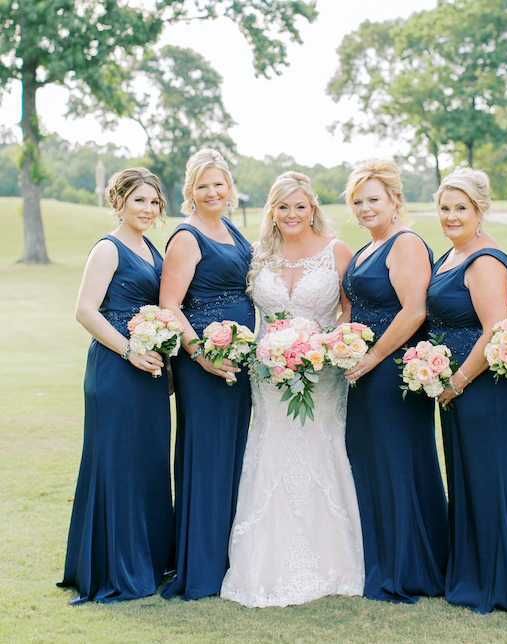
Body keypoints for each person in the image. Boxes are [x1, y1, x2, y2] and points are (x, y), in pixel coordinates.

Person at [220, 171, 364, 607]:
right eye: (283, 206)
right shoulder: (259, 254)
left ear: (313, 208)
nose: (292, 214)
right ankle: (264, 562)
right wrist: (273, 349)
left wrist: (322, 347)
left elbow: (350, 312)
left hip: (322, 377)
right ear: (272, 211)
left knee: (321, 449)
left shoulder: (336, 251)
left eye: (300, 206)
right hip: (267, 376)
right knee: (271, 452)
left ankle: (334, 560)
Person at [427, 168, 507, 614]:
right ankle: (474, 572)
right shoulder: (451, 255)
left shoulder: (484, 260)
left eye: (461, 208)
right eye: (445, 208)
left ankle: (501, 582)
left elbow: (496, 330)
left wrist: (458, 380)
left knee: (490, 478)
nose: (451, 216)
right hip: (457, 388)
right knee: (469, 478)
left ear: (480, 210)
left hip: (483, 388)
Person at [58, 168, 173, 604]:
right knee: (118, 463)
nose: (147, 209)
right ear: (120, 202)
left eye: (153, 202)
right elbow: (86, 311)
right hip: (116, 368)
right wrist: (129, 351)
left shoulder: (151, 249)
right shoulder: (108, 248)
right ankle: (116, 567)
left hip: (149, 372)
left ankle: (148, 559)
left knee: (148, 463)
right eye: (139, 200)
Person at [341, 159, 448, 603]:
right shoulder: (368, 246)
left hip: (393, 371)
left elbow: (414, 311)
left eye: (374, 199)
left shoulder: (404, 243)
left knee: (398, 462)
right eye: (358, 201)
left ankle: (412, 568)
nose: (366, 208)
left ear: (394, 201)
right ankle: (382, 558)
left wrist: (373, 358)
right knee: (372, 463)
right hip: (364, 369)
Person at [159, 148, 255, 600]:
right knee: (208, 455)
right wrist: (199, 353)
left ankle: (228, 556)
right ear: (190, 192)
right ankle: (200, 565)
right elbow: (170, 305)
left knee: (235, 455)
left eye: (219, 184)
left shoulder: (233, 230)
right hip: (204, 364)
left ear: (229, 188)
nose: (212, 192)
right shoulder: (186, 236)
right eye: (203, 186)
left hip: (238, 360)